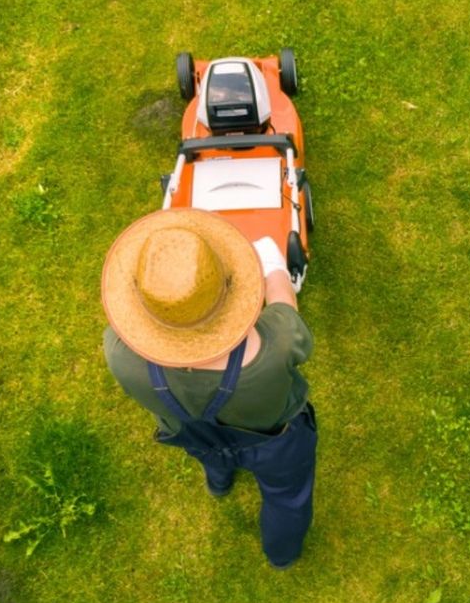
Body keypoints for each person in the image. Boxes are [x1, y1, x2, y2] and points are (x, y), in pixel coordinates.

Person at [100, 208, 316, 569]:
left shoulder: (118, 352)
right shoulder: (275, 342)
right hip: (276, 441)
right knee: (286, 495)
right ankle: (282, 554)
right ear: (229, 291)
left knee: (211, 454)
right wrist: (273, 264)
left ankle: (219, 482)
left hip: (190, 435)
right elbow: (285, 310)